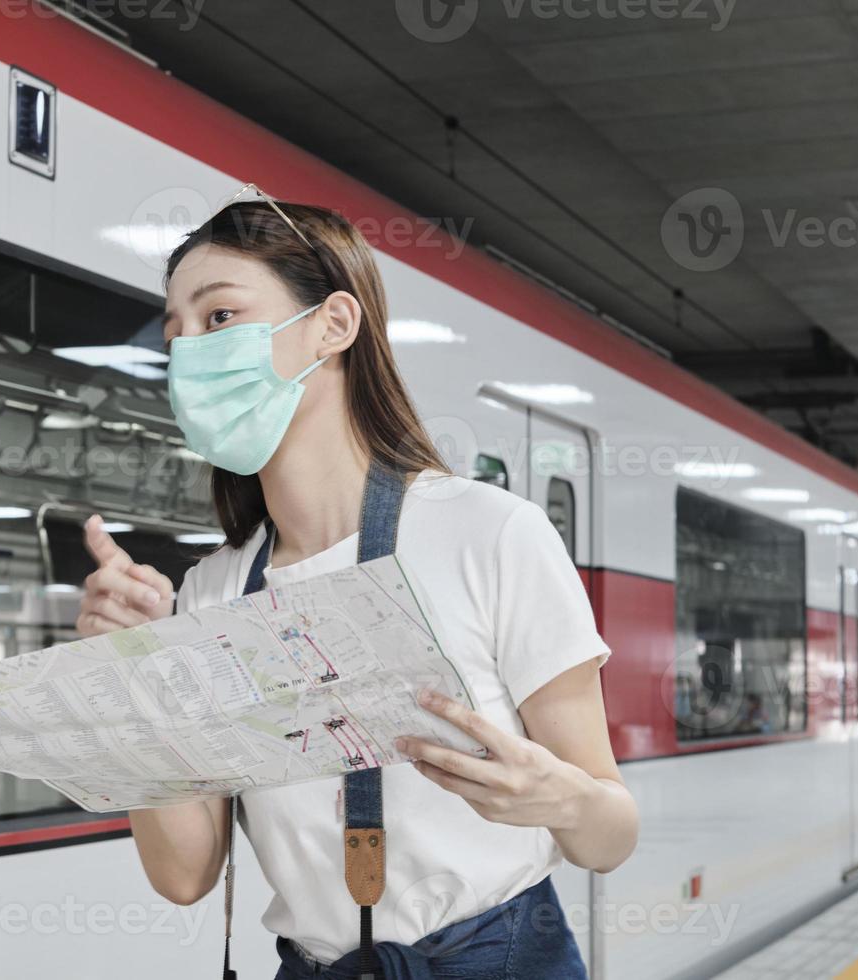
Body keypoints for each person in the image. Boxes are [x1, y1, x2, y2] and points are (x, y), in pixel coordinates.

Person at [76, 187, 638, 979]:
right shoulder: (212, 594)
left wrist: (564, 801)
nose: (190, 353)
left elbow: (611, 836)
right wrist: (131, 679)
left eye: (220, 318)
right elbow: (184, 876)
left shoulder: (489, 533)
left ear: (333, 326)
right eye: (177, 333)